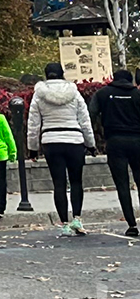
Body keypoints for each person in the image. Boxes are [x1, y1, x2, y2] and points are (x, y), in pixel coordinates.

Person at [27, 60, 95, 235]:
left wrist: (32, 148)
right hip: (74, 139)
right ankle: (77, 219)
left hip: (51, 140)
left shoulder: (39, 95)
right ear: (62, 74)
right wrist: (91, 143)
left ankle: (64, 223)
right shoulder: (74, 92)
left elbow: (33, 123)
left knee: (59, 183)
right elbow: (84, 120)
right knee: (76, 181)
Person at [90, 66, 140, 238]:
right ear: (130, 80)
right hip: (137, 141)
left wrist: (98, 132)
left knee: (122, 184)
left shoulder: (103, 94)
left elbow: (92, 113)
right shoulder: (137, 94)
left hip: (115, 141)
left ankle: (132, 224)